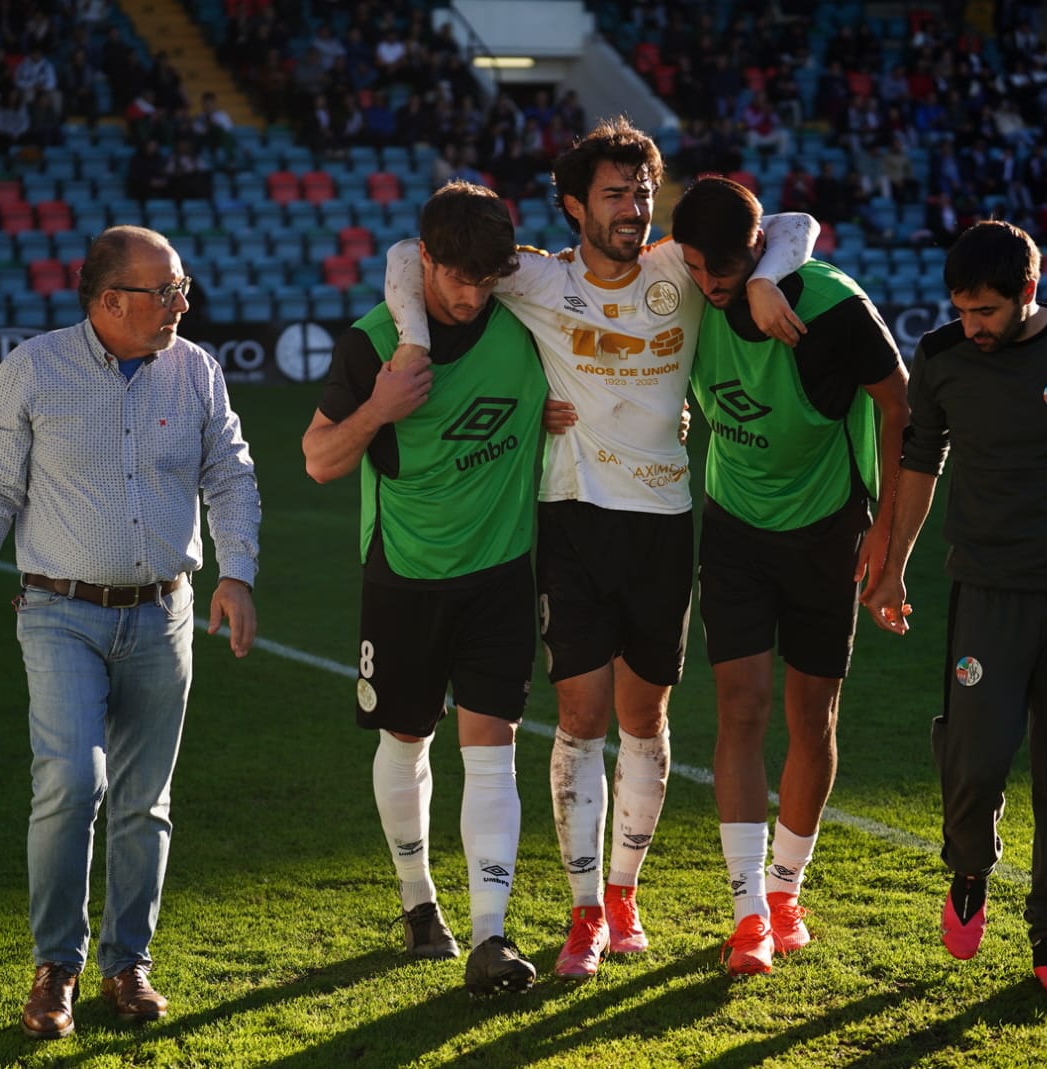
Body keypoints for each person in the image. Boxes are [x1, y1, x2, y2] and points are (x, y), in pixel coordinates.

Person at [384, 116, 818, 981]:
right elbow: (408, 254)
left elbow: (797, 226)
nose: (636, 208)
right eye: (617, 194)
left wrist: (768, 278)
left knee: (645, 719)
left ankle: (624, 893)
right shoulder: (534, 278)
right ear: (577, 204)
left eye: (644, 191)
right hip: (573, 515)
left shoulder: (678, 267)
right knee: (580, 719)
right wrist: (411, 338)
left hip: (663, 519)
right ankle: (582, 912)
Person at [0, 225, 261, 1039]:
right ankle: (57, 964)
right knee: (71, 783)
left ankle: (128, 964)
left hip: (167, 612)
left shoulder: (197, 370)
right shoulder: (34, 369)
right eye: (165, 291)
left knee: (145, 803)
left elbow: (230, 472)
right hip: (58, 613)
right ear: (109, 299)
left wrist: (237, 572)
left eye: (182, 288)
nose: (180, 304)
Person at [862, 220, 1047, 997]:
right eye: (963, 310)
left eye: (987, 312)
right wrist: (893, 568)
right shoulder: (940, 358)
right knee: (975, 760)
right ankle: (970, 870)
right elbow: (919, 465)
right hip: (985, 598)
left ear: (1029, 291)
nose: (974, 326)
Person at [301, 180, 546, 996]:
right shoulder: (376, 342)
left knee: (493, 749)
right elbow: (320, 458)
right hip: (403, 575)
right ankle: (417, 901)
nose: (472, 296)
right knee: (405, 742)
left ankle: (490, 935)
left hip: (502, 572)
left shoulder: (524, 325)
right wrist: (378, 408)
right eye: (456, 278)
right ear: (427, 261)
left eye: (486, 280)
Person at [669, 177, 910, 975]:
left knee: (814, 718)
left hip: (825, 529)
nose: (709, 285)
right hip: (733, 526)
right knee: (741, 707)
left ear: (757, 247)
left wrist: (886, 528)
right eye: (697, 269)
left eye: (727, 268)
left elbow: (898, 400)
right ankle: (746, 916)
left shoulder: (831, 304)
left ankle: (784, 890)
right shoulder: (685, 284)